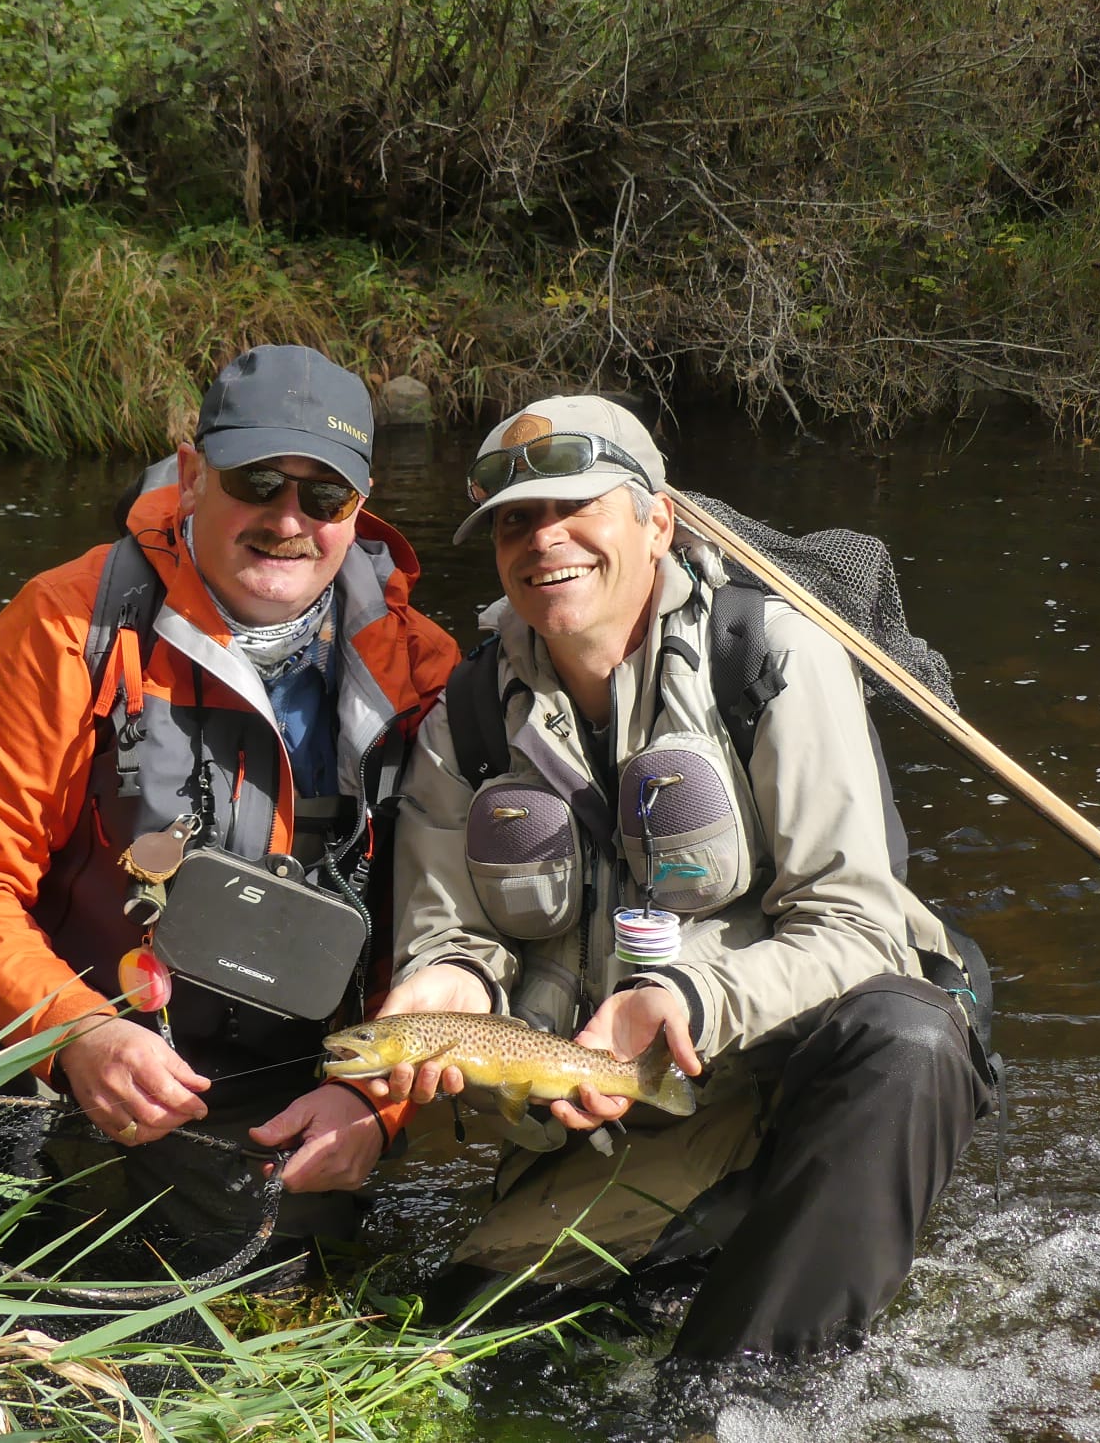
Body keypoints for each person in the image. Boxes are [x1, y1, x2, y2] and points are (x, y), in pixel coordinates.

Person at [366, 394, 999, 1359]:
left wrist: (688, 1001)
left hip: (796, 1082)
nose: (544, 541)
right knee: (462, 1335)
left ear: (657, 519)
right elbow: (448, 933)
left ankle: (746, 1398)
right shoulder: (467, 720)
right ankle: (715, 1252)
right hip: (622, 1113)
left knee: (908, 1037)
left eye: (576, 507)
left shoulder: (772, 656)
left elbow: (860, 924)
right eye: (516, 521)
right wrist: (445, 984)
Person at [0, 344, 458, 1250]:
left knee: (259, 1254)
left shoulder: (422, 669)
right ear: (194, 475)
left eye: (324, 496)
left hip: (288, 1062)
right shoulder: (69, 620)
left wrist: (371, 1103)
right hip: (54, 1014)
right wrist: (74, 1035)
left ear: (359, 507)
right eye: (257, 479)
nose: (287, 520)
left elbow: (440, 936)